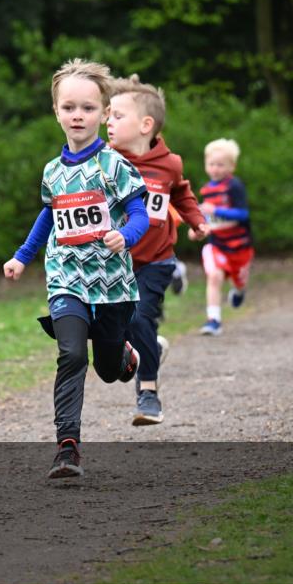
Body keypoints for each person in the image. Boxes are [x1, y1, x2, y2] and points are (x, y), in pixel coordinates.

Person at [3, 58, 148, 478]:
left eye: (87, 108)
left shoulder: (114, 165)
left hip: (111, 282)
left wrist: (126, 236)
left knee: (107, 369)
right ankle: (67, 447)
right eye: (69, 107)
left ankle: (123, 353)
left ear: (104, 114)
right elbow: (48, 217)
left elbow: (140, 214)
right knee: (71, 354)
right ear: (56, 112)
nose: (77, 115)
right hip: (66, 276)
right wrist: (21, 256)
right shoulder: (52, 171)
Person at [106, 74, 210, 426]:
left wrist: (197, 221)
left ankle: (148, 394)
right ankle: (150, 346)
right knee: (115, 332)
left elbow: (181, 193)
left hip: (156, 260)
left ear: (145, 125)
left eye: (117, 116)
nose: (108, 122)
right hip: (113, 264)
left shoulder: (170, 164)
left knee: (141, 319)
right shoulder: (104, 161)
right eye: (108, 115)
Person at [193, 138, 253, 336]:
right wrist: (198, 227)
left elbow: (243, 214)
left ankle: (239, 291)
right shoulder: (206, 190)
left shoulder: (234, 186)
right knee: (214, 276)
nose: (215, 169)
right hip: (217, 245)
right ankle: (213, 320)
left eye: (220, 165)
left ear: (231, 166)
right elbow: (206, 218)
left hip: (240, 246)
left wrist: (217, 210)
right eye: (211, 164)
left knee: (239, 282)